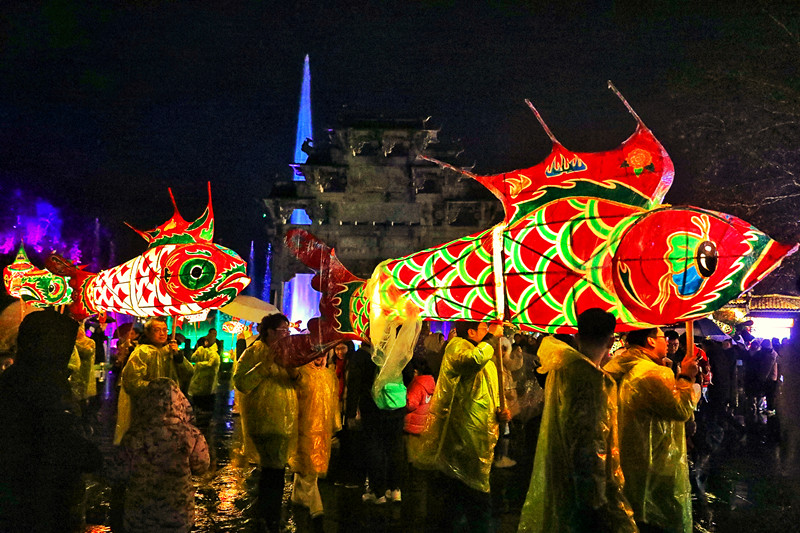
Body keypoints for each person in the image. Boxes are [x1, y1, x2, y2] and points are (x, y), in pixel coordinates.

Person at [517, 308, 636, 533]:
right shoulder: (593, 380)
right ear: (611, 341)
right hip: (586, 490)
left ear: (577, 337)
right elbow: (591, 443)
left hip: (561, 476)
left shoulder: (562, 368)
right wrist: (596, 499)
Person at [0, 309, 102, 532]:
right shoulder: (44, 385)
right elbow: (56, 439)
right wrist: (91, 455)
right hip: (41, 499)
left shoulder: (15, 378)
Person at [414, 320, 509, 532]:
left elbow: (490, 396)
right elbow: (472, 361)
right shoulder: (457, 347)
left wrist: (501, 413)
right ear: (472, 332)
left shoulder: (490, 362)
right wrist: (492, 337)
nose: (489, 332)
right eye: (485, 329)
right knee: (472, 497)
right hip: (462, 438)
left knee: (461, 498)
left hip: (482, 440)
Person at [605, 327, 700, 533]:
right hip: (655, 460)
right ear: (650, 341)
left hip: (631, 455)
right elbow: (681, 409)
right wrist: (686, 377)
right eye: (662, 337)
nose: (667, 341)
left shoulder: (626, 366)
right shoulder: (652, 373)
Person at [106, 378, 209, 532]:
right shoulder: (191, 434)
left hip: (140, 519)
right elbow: (202, 466)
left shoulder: (134, 434)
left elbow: (118, 473)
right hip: (178, 518)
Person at [233, 313, 298, 533]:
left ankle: (269, 516)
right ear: (269, 331)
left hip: (284, 421)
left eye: (288, 330)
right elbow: (241, 382)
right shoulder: (253, 352)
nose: (286, 334)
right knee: (271, 471)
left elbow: (300, 382)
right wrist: (265, 364)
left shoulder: (290, 353)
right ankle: (267, 516)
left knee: (276, 471)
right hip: (262, 421)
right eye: (282, 330)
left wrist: (293, 371)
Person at [114, 317, 195, 444]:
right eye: (157, 330)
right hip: (147, 409)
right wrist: (157, 388)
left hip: (170, 407)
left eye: (164, 330)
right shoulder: (141, 352)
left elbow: (189, 373)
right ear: (148, 332)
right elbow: (132, 383)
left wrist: (179, 357)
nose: (162, 333)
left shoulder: (170, 351)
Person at [290, 354, 341, 532]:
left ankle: (297, 497)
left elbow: (333, 401)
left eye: (323, 354)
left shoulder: (329, 375)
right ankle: (316, 508)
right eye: (315, 354)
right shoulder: (301, 374)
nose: (320, 358)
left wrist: (335, 426)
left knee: (311, 467)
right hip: (303, 427)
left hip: (323, 431)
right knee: (308, 468)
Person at [188, 331, 222, 413]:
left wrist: (199, 364)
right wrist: (197, 353)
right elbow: (193, 358)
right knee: (198, 401)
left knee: (207, 402)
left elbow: (211, 364)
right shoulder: (202, 349)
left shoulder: (214, 354)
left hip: (209, 382)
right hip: (198, 379)